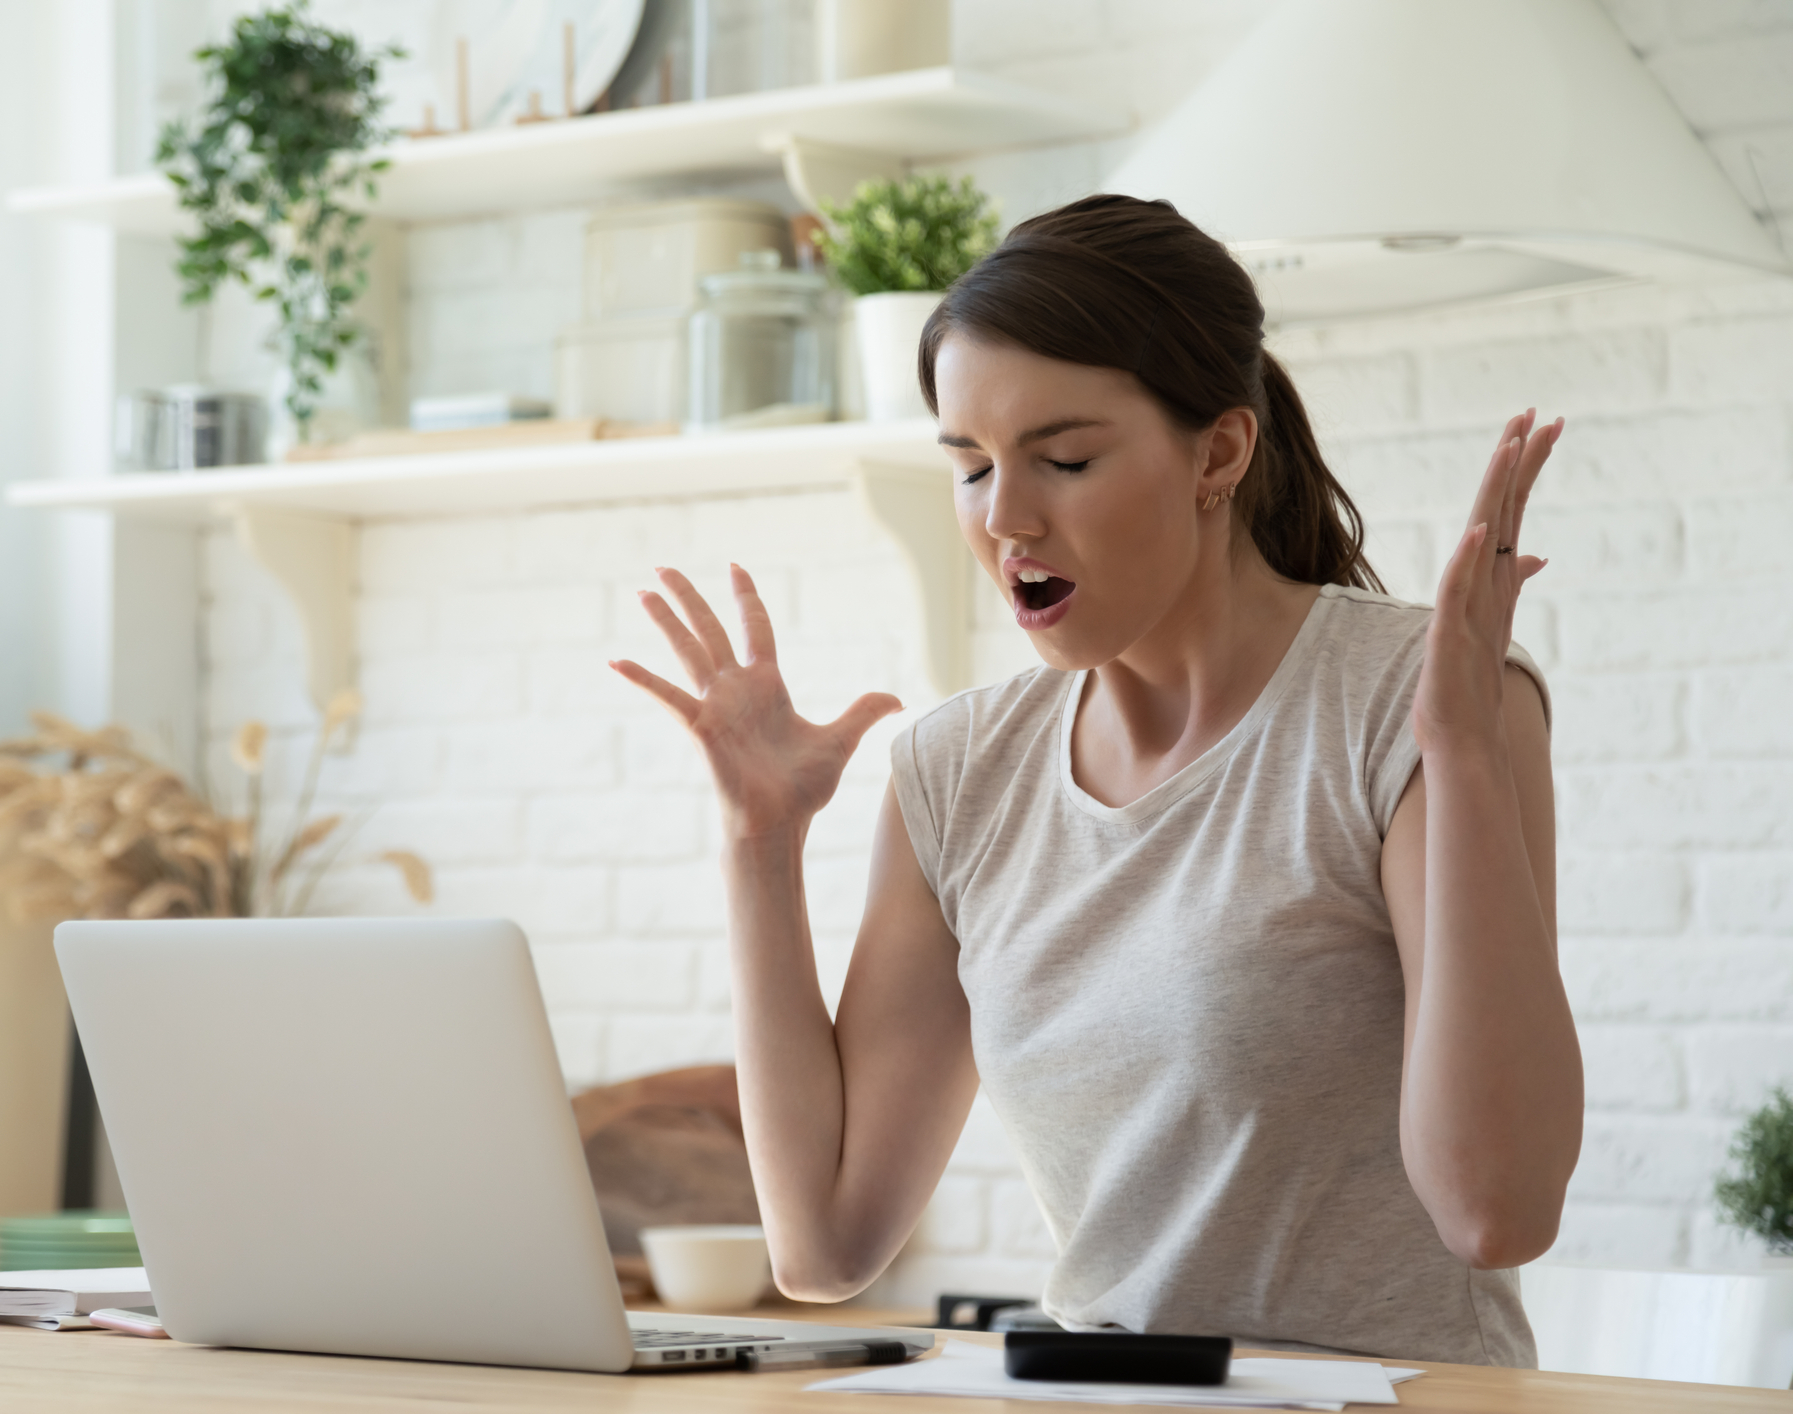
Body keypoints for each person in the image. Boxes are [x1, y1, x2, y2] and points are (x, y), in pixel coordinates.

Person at [610, 194, 1581, 1366]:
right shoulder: (959, 771)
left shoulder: (1421, 704)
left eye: (1063, 459)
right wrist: (758, 844)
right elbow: (822, 1247)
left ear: (1219, 452)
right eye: (970, 466)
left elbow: (1495, 1213)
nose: (1006, 518)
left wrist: (1465, 756)